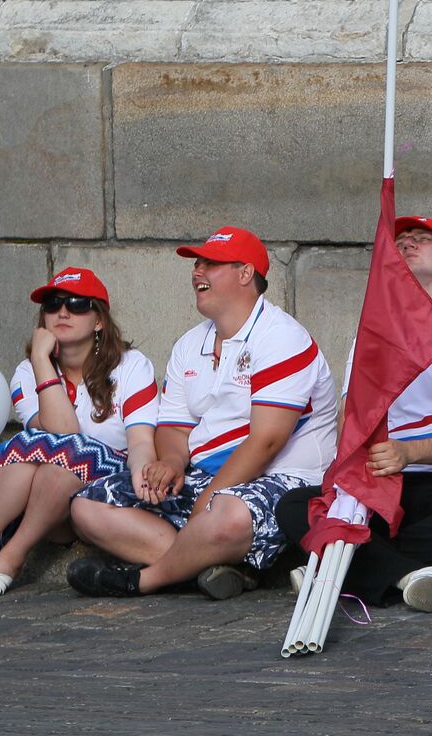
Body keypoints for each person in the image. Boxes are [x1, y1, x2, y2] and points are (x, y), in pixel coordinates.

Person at [65, 226, 338, 600]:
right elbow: (174, 429)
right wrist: (173, 464)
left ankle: (145, 580)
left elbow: (266, 442)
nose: (197, 272)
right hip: (207, 478)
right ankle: (207, 564)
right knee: (87, 505)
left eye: (210, 264)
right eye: (197, 263)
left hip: (284, 479)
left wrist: (206, 501)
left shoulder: (281, 336)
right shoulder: (189, 344)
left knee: (227, 515)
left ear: (245, 274)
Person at [275, 216, 432, 613]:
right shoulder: (373, 331)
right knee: (294, 506)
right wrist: (357, 473)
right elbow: (353, 420)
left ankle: (341, 572)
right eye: (400, 242)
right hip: (387, 478)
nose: (408, 245)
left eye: (423, 239)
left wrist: (409, 452)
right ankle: (408, 576)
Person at [0, 268, 158, 599]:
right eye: (53, 305)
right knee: (40, 449)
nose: (63, 312)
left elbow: (134, 440)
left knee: (55, 449)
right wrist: (41, 360)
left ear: (99, 320)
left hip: (109, 490)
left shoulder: (131, 365)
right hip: (50, 502)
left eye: (78, 304)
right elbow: (60, 436)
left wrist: (145, 477)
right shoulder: (27, 372)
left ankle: (10, 555)